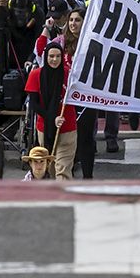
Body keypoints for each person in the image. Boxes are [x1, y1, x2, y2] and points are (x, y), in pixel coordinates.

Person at [28, 43, 78, 179]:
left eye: (58, 56)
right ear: (46, 57)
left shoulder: (70, 74)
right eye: (51, 56)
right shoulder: (35, 75)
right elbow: (33, 104)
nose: (54, 60)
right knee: (49, 168)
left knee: (63, 168)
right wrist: (52, 117)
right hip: (45, 128)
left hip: (67, 128)